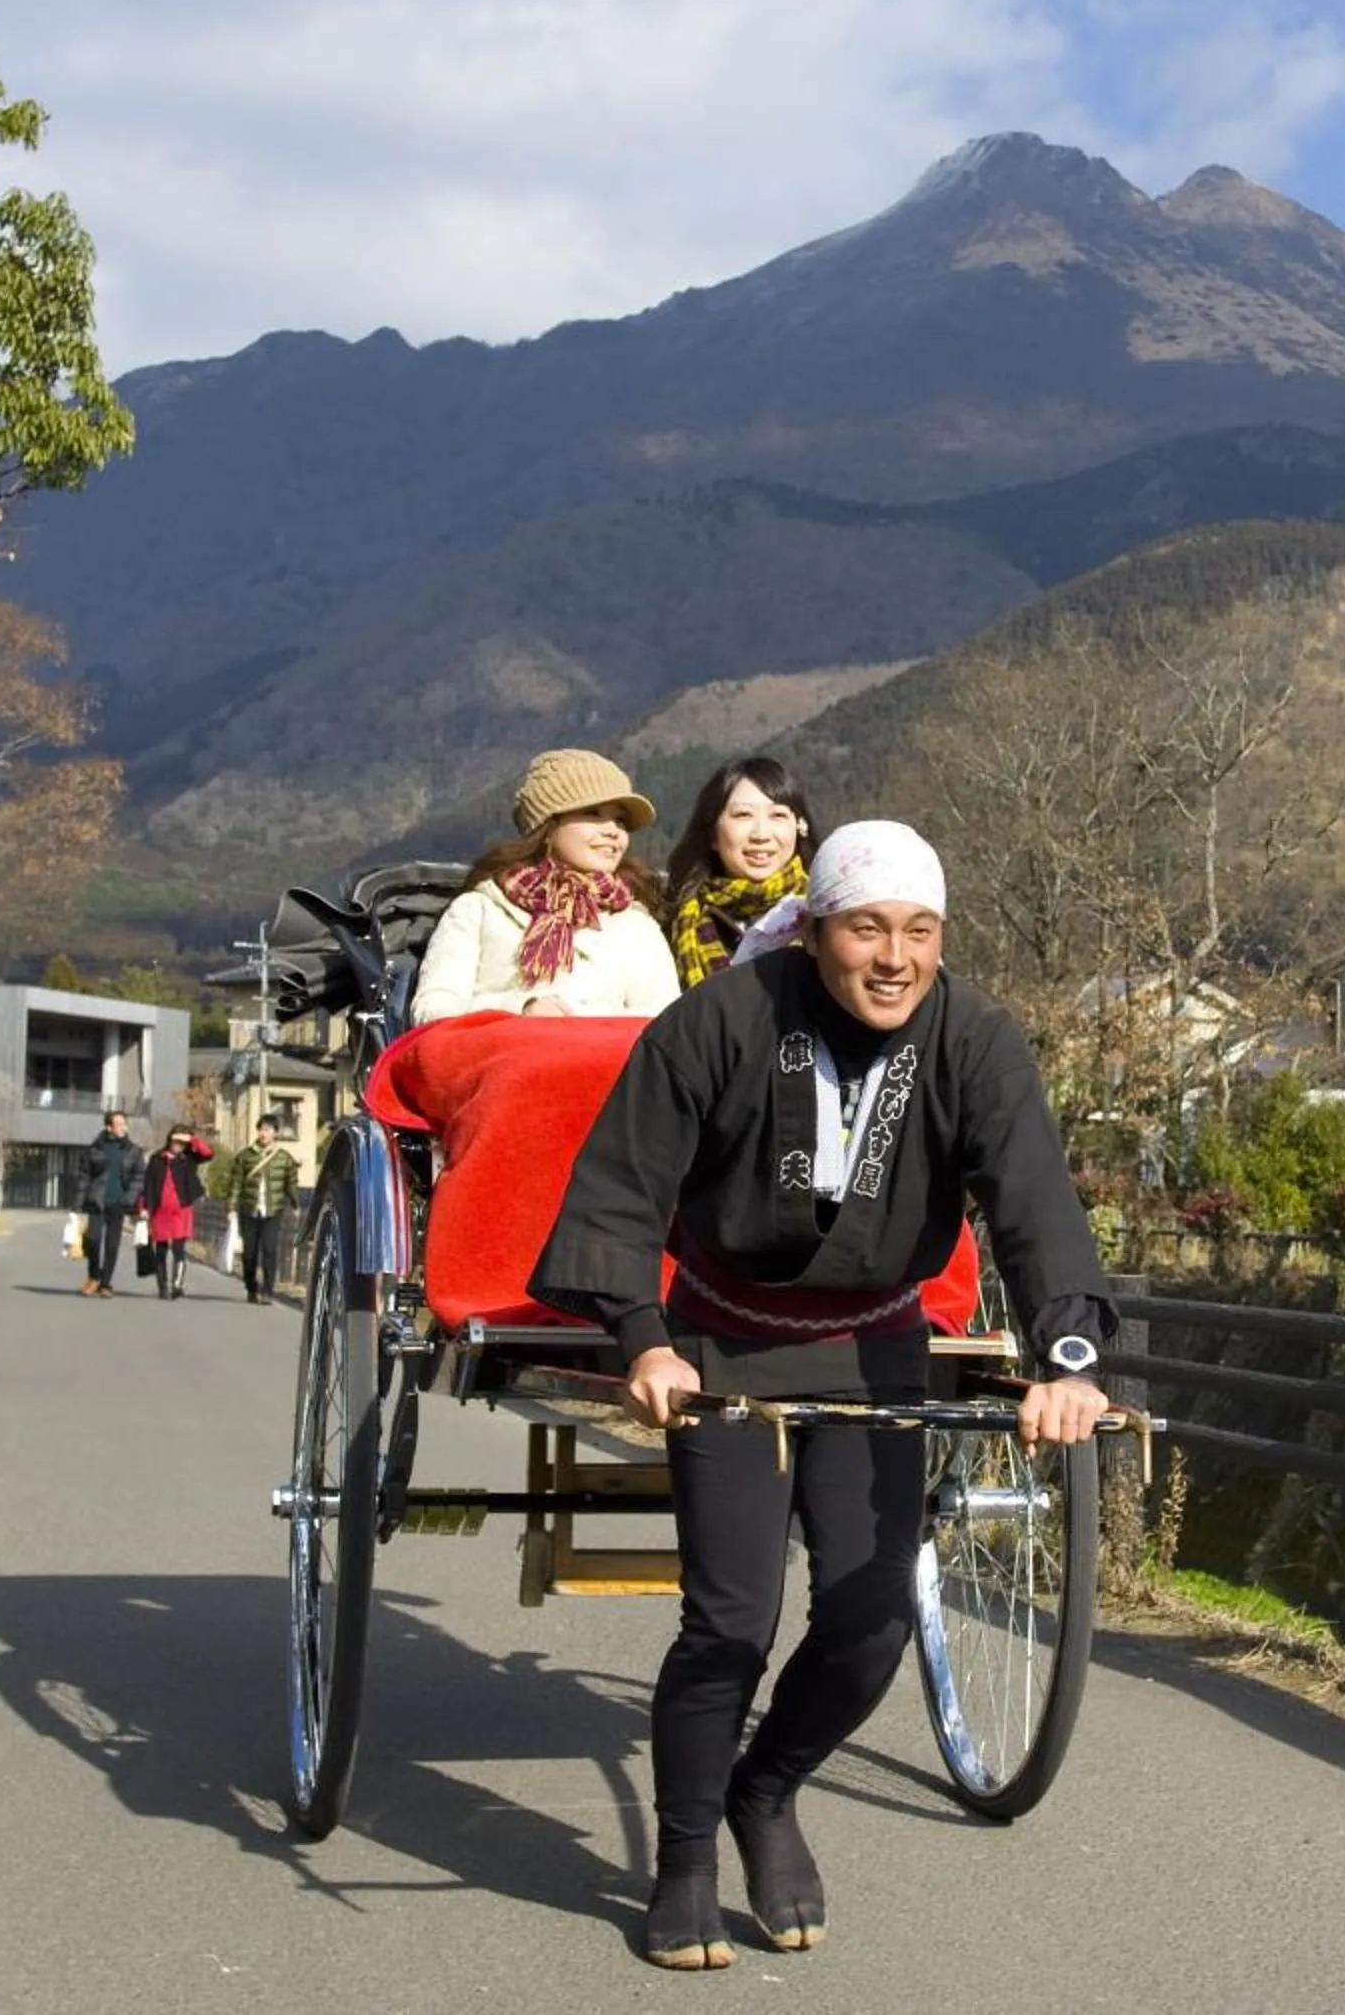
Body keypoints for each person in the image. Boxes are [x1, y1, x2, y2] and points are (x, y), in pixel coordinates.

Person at [530, 819, 1114, 1971]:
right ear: (815, 933)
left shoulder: (973, 1037)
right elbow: (623, 1185)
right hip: (724, 1349)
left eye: (920, 931)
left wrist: (1068, 1360)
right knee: (732, 1620)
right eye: (866, 928)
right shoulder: (726, 1020)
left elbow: (1034, 1205)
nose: (893, 956)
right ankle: (685, 1854)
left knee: (869, 1619)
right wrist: (643, 1341)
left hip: (873, 1349)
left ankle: (768, 1791)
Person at [411, 749, 682, 1026]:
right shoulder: (479, 909)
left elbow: (666, 1025)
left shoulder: (636, 924)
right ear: (548, 826)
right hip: (504, 1060)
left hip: (609, 1064)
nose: (613, 831)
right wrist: (520, 1010)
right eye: (593, 813)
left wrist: (587, 1021)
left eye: (620, 820)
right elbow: (432, 1010)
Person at [664, 756, 817, 988]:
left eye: (777, 815)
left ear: (799, 827)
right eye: (743, 815)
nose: (761, 834)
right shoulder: (674, 917)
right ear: (713, 834)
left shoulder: (825, 912)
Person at [222, 1116, 300, 1304]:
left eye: (268, 1130)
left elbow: (291, 1184)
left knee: (269, 1249)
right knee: (249, 1252)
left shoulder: (284, 1158)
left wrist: (295, 1205)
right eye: (261, 1130)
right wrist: (231, 1207)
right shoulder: (245, 1156)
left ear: (275, 1132)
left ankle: (267, 1291)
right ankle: (251, 1286)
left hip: (273, 1210)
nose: (263, 1133)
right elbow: (235, 1184)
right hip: (249, 1209)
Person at [137, 1126, 213, 1300]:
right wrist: (143, 1207)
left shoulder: (189, 1158)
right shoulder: (157, 1159)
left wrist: (192, 1139)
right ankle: (162, 1286)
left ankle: (177, 1285)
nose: (178, 1145)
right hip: (160, 1210)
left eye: (182, 1143)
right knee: (161, 1250)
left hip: (182, 1209)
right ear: (169, 1140)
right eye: (176, 1141)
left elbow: (208, 1154)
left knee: (179, 1249)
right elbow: (147, 1185)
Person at [76, 1110, 144, 1297]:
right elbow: (84, 1176)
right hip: (97, 1201)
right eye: (119, 1124)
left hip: (118, 1204)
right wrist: (78, 1204)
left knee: (112, 1245)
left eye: (124, 1123)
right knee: (93, 1239)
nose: (123, 1127)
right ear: (109, 1127)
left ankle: (105, 1283)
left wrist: (129, 1198)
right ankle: (93, 1276)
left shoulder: (133, 1151)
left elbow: (139, 1177)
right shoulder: (95, 1149)